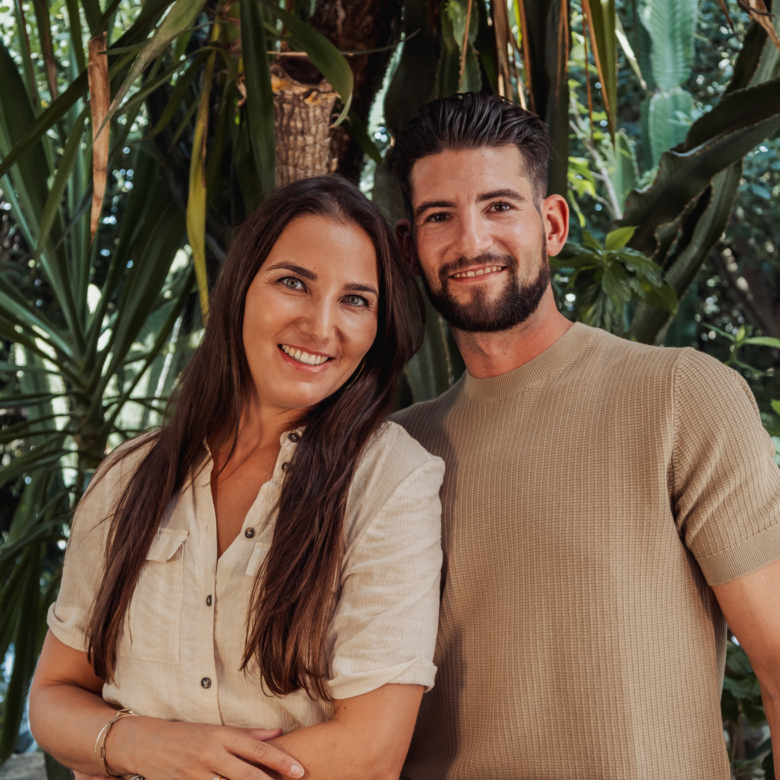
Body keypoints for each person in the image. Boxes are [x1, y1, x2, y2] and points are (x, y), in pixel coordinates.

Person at [388, 93, 780, 780]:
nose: (471, 240)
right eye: (439, 217)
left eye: (499, 206)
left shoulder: (681, 397)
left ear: (553, 223)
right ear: (408, 246)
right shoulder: (390, 453)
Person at [30, 175, 445, 780]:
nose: (320, 325)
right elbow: (53, 696)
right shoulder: (128, 478)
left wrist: (179, 762)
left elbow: (369, 752)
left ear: (380, 328)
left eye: (356, 299)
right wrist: (141, 742)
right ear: (240, 290)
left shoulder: (391, 481)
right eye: (293, 283)